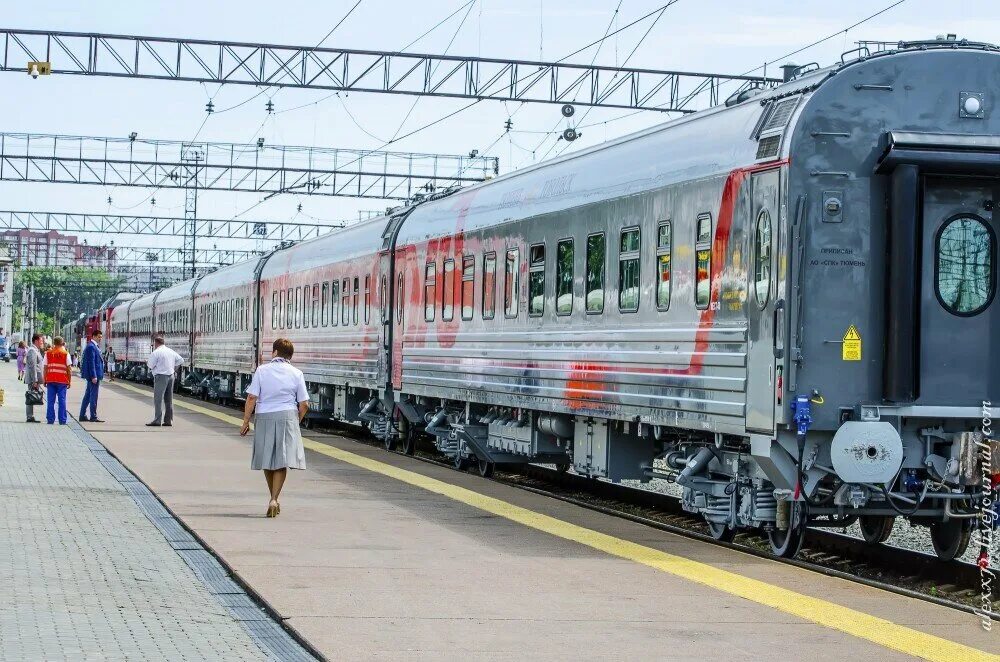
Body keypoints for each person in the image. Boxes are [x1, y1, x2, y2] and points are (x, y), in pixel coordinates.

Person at [240, 338, 308, 518]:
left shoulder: (262, 371)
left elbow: (252, 398)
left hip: (264, 416)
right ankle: (274, 499)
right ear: (290, 356)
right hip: (287, 416)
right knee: (281, 460)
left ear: (275, 352)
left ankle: (272, 498)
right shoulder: (296, 373)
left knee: (267, 459)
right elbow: (304, 404)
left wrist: (246, 421)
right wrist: (296, 421)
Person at [146, 336, 183, 427]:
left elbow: (150, 365)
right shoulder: (170, 351)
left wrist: (147, 362)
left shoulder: (156, 352)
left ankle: (157, 420)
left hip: (161, 376)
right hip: (171, 376)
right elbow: (180, 360)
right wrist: (174, 370)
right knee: (168, 399)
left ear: (156, 343)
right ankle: (168, 420)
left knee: (158, 399)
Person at [42, 336, 72, 425]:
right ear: (62, 343)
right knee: (62, 400)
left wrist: (44, 379)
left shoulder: (48, 353)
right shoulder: (65, 354)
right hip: (62, 381)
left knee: (50, 401)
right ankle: (62, 420)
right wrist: (69, 381)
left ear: (54, 343)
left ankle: (50, 419)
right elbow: (69, 369)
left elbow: (45, 368)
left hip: (50, 380)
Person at [79, 330, 105, 422]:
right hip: (94, 376)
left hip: (93, 375)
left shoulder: (93, 346)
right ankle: (93, 416)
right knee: (93, 396)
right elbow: (91, 363)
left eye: (101, 337)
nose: (100, 338)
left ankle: (82, 415)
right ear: (93, 336)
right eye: (98, 337)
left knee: (87, 396)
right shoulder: (91, 347)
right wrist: (94, 376)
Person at [24, 334, 43, 423]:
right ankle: (29, 416)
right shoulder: (32, 351)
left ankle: (30, 416)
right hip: (33, 379)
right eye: (41, 340)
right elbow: (32, 366)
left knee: (31, 396)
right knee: (30, 396)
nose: (42, 342)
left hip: (34, 379)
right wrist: (35, 380)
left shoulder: (36, 350)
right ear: (36, 341)